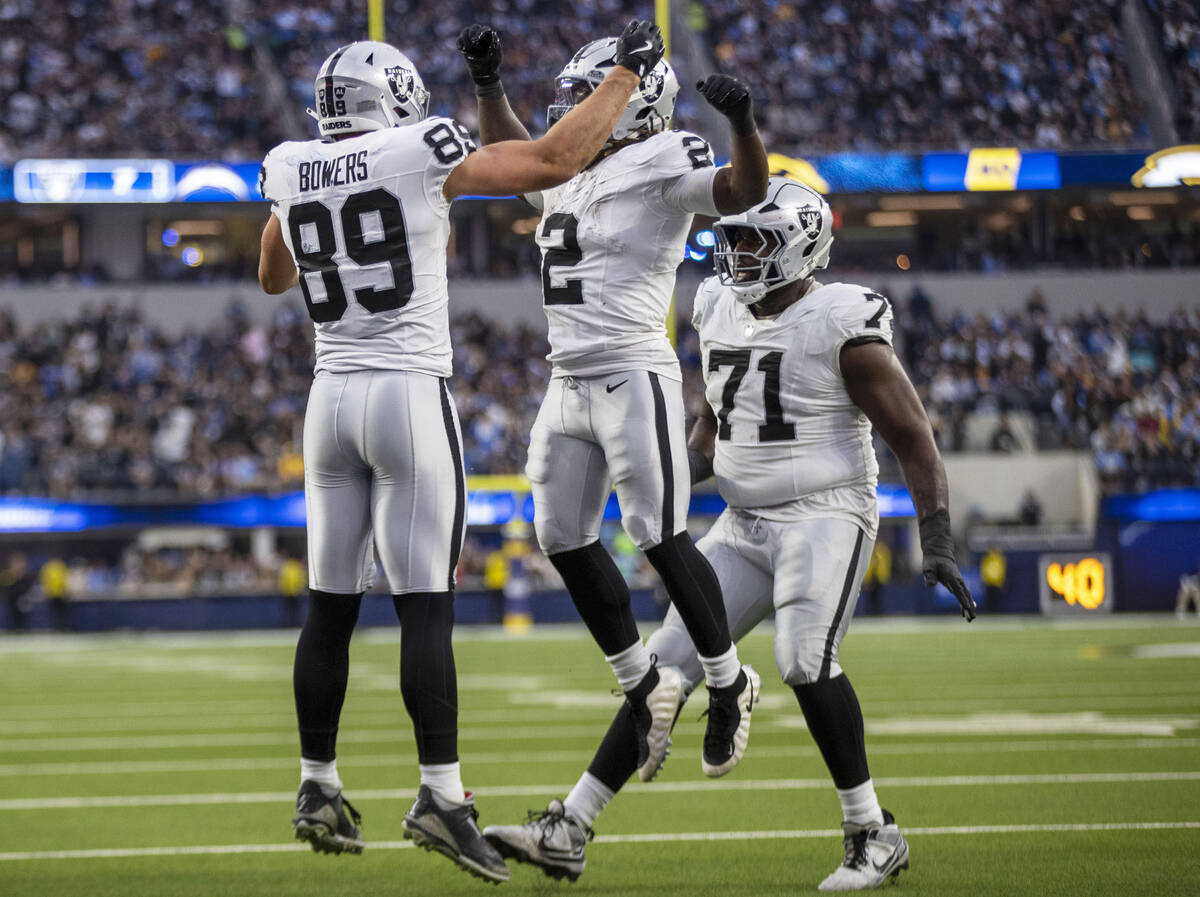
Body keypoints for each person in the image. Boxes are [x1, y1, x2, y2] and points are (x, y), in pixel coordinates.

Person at [257, 21, 667, 883]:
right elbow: (553, 164)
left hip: (327, 401)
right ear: (390, 99)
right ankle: (441, 795)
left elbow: (273, 274)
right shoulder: (418, 148)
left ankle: (317, 783)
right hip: (405, 394)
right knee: (424, 609)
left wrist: (312, 197)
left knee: (329, 608)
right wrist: (625, 76)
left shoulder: (288, 161)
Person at [481, 178, 977, 891]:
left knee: (803, 657)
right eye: (734, 238)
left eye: (754, 240)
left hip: (825, 512)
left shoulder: (844, 322)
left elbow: (913, 437)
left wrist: (936, 539)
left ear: (801, 248)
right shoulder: (718, 308)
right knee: (662, 666)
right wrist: (663, 479)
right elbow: (713, 431)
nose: (737, 252)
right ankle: (571, 826)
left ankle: (874, 831)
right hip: (743, 521)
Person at [457, 23, 769, 782]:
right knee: (560, 533)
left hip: (632, 370)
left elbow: (742, 191)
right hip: (566, 374)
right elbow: (525, 156)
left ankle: (729, 683)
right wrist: (489, 86)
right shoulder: (572, 167)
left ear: (633, 102)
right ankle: (642, 683)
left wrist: (743, 126)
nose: (578, 108)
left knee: (658, 534)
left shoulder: (667, 157)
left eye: (590, 93)